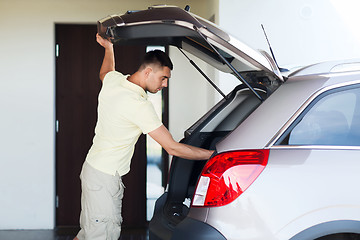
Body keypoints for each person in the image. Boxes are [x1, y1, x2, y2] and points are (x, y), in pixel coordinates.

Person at [74, 34, 214, 240]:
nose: (165, 84)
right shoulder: (138, 105)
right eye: (163, 78)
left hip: (92, 170)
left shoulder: (116, 81)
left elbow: (105, 72)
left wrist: (108, 48)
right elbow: (172, 148)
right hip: (104, 179)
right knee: (100, 236)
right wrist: (214, 154)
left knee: (88, 233)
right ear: (148, 72)